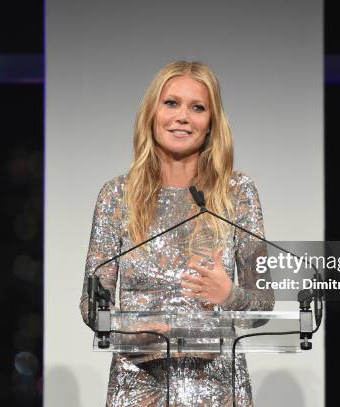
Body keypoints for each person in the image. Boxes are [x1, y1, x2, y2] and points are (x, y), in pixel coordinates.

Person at [80, 60, 274, 406]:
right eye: (171, 103)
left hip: (216, 386)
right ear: (152, 113)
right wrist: (133, 329)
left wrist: (229, 294)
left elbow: (263, 304)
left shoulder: (237, 192)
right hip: (137, 385)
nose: (182, 116)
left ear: (211, 123)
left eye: (197, 107)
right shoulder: (116, 195)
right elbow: (92, 306)